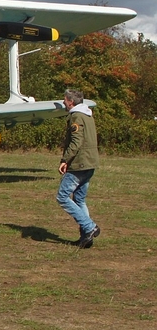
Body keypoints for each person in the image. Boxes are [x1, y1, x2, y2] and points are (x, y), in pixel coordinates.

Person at [58, 88, 101, 248]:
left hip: (79, 164)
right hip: (90, 162)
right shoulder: (88, 115)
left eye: (65, 100)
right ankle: (86, 237)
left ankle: (90, 227)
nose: (63, 102)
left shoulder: (76, 116)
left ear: (71, 102)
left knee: (62, 197)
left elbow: (76, 142)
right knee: (79, 199)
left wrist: (65, 160)